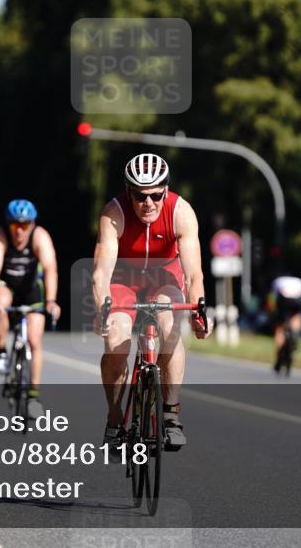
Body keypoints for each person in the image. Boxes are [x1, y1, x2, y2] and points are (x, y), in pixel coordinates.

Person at [92, 153, 210, 450]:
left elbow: (194, 274)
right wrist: (101, 309)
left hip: (164, 277)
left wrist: (199, 313)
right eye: (140, 195)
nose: (149, 203)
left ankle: (171, 415)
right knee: (116, 338)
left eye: (156, 195)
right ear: (128, 191)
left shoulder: (181, 212)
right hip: (123, 279)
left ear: (166, 191)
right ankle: (115, 417)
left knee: (171, 325)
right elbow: (101, 274)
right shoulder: (114, 213)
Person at [0, 199, 60, 420]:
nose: (19, 231)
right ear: (8, 225)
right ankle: (1, 351)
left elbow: (50, 268)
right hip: (7, 286)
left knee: (35, 341)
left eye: (25, 225)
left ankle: (33, 396)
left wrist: (51, 300)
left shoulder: (40, 236)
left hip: (31, 289)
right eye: (15, 226)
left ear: (32, 224)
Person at [270, 275, 301, 375]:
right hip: (297, 301)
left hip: (283, 300)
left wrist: (272, 312)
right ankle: (295, 335)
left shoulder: (277, 281)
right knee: (296, 317)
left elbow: (272, 298)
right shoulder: (299, 281)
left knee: (279, 328)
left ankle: (279, 351)